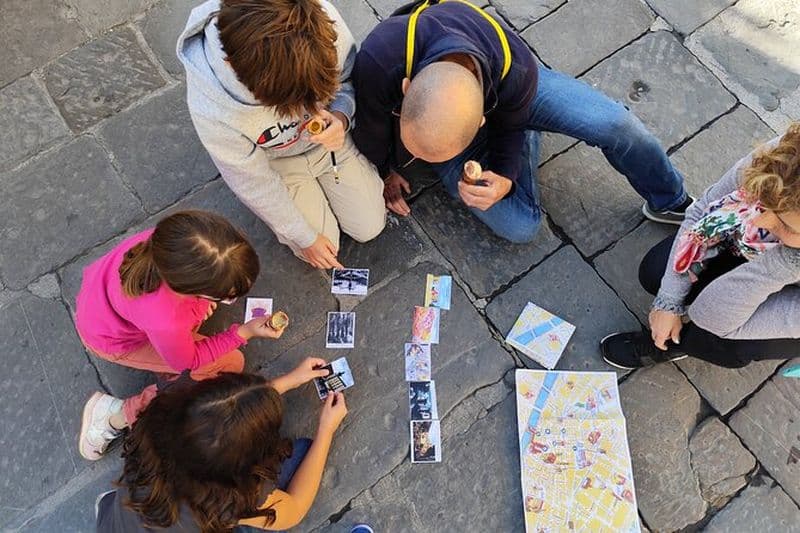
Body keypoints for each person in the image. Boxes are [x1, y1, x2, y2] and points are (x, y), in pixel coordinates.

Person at [351, 0, 692, 244]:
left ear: (483, 120)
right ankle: (525, 136)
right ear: (406, 88)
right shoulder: (378, 60)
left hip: (514, 95)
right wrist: (385, 170)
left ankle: (671, 201)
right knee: (521, 227)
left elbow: (508, 123)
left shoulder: (517, 69)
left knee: (617, 124)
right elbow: (372, 130)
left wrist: (504, 176)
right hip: (472, 111)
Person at [178, 0, 386, 270]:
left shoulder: (321, 26)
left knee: (369, 226)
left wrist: (341, 116)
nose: (306, 110)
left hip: (330, 145)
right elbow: (252, 182)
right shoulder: (212, 107)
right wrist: (303, 237)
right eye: (287, 103)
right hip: (276, 164)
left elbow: (347, 78)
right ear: (232, 66)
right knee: (322, 244)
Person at [76, 210, 281, 461]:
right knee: (230, 364)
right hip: (113, 341)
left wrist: (202, 304)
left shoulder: (175, 244)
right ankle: (114, 414)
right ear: (190, 288)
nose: (232, 300)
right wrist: (243, 332)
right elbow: (188, 361)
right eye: (227, 295)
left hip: (101, 304)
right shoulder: (166, 320)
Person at [601, 124, 800, 369]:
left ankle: (674, 344)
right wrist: (669, 302)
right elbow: (703, 208)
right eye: (764, 202)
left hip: (787, 283)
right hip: (748, 247)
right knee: (656, 272)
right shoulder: (789, 159)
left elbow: (711, 315)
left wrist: (789, 261)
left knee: (725, 342)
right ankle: (674, 326)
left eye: (787, 225)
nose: (759, 219)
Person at [94, 362, 347, 532]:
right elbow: (294, 510)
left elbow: (219, 415)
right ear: (239, 469)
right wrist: (326, 430)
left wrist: (284, 384)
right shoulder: (226, 500)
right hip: (174, 518)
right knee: (303, 450)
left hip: (119, 521)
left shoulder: (157, 424)